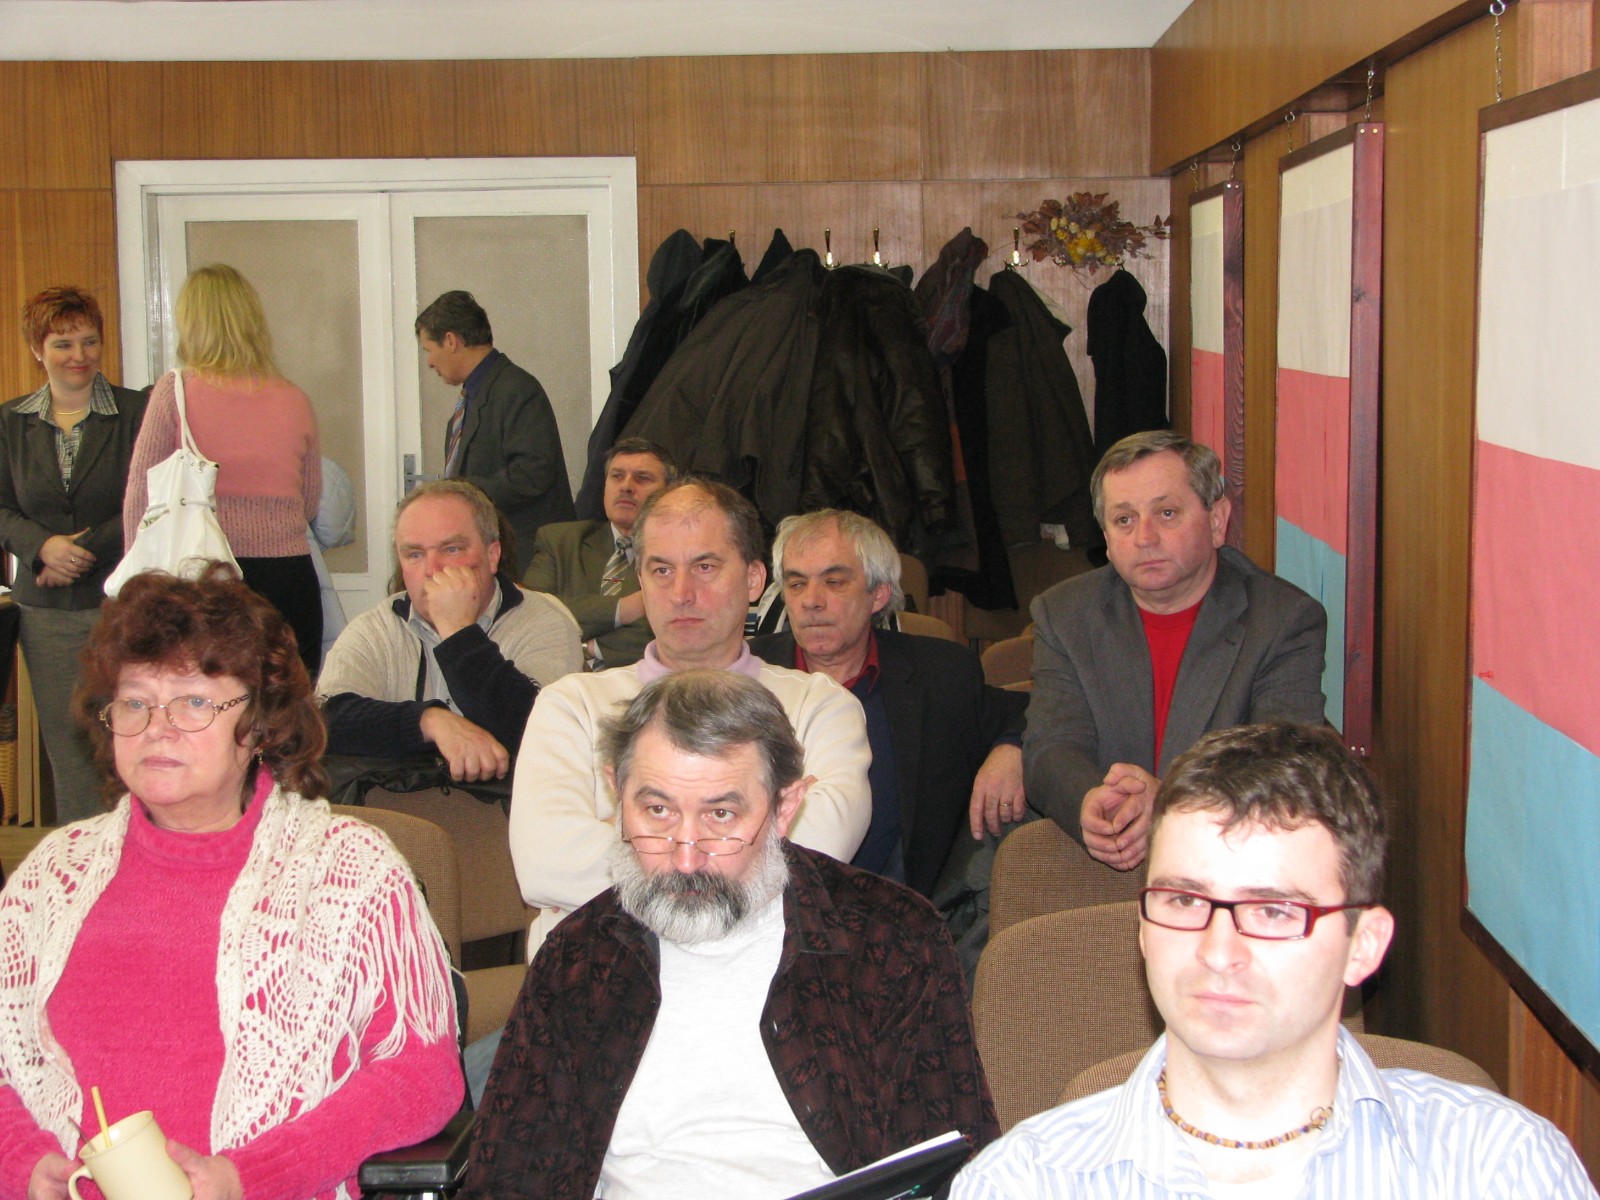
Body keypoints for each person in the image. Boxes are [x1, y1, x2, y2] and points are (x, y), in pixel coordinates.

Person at [955, 722, 1600, 1198]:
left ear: (1363, 945)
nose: (1217, 951)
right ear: (1143, 930)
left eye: (1273, 911)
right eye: (1184, 900)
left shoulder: (1503, 1169)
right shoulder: (1022, 1183)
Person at [0, 565, 462, 1200]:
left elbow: (422, 1077)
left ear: (260, 726)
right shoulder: (53, 874)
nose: (157, 726)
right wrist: (21, 1161)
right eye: (134, 702)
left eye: (194, 701)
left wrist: (253, 1176)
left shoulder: (348, 870)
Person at [463, 671, 997, 1199]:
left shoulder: (888, 937)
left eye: (720, 815)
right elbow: (508, 1181)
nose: (685, 857)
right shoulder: (580, 957)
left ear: (785, 808)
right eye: (657, 811)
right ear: (616, 792)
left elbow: (955, 1170)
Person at [508, 478, 871, 953]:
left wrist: (624, 836)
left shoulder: (820, 707)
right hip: (592, 972)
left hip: (760, 984)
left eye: (704, 567)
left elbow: (816, 857)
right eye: (661, 570)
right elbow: (544, 864)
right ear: (641, 581)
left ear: (754, 579)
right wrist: (736, 847)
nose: (681, 592)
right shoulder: (570, 706)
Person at [1025, 430, 1327, 872]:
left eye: (1166, 513)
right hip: (1097, 859)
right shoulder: (1064, 613)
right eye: (1124, 520)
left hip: (1228, 862)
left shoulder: (1282, 621)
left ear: (1217, 520)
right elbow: (1051, 746)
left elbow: (1285, 767)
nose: (1144, 537)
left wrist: (1171, 800)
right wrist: (1091, 800)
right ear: (1106, 537)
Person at [751, 508, 1028, 896]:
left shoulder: (941, 673)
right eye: (796, 584)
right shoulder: (745, 674)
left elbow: (1029, 710)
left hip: (897, 908)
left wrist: (1011, 748)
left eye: (834, 582)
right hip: (764, 904)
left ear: (878, 594)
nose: (810, 601)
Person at [123, 263, 324, 673]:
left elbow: (140, 500)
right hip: (288, 577)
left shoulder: (175, 391)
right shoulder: (294, 398)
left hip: (203, 579)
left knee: (205, 697)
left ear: (190, 323)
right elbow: (311, 500)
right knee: (286, 698)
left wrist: (136, 585)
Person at [318, 479, 581, 784]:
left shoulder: (546, 624)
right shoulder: (377, 627)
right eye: (414, 554)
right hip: (398, 809)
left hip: (505, 810)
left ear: (492, 555)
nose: (432, 569)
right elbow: (323, 720)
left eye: (452, 549)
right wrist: (429, 721)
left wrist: (459, 632)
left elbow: (537, 732)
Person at [0, 287, 148, 823]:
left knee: (133, 738)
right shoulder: (9, 420)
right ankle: (82, 857)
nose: (79, 355)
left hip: (123, 605)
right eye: (63, 344)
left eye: (89, 341)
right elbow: (1, 507)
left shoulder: (137, 413)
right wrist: (41, 547)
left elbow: (149, 498)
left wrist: (80, 550)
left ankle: (142, 852)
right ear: (37, 350)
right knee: (69, 748)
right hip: (47, 614)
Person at [415, 290, 574, 564]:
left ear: (451, 341)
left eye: (429, 350)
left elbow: (532, 475)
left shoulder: (517, 389)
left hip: (527, 557)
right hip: (496, 552)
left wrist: (459, 492)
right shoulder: (475, 395)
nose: (429, 362)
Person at [523, 436, 674, 670]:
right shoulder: (560, 541)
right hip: (561, 683)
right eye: (617, 476)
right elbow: (531, 616)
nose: (626, 486)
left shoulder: (679, 553)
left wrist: (589, 648)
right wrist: (623, 609)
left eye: (642, 478)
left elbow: (677, 635)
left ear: (669, 492)